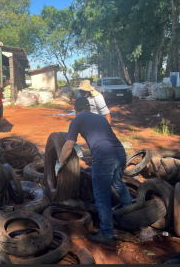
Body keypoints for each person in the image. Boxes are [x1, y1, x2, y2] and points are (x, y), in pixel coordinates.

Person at [56, 97, 132, 247]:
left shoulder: (77, 120)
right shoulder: (101, 118)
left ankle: (107, 234)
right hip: (120, 153)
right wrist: (91, 155)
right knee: (118, 184)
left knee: (101, 196)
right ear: (89, 108)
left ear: (76, 109)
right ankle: (130, 218)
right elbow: (104, 141)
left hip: (105, 156)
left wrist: (60, 162)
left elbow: (68, 146)